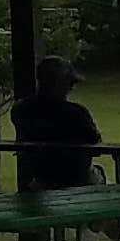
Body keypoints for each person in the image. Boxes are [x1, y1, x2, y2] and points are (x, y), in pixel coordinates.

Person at [8, 56, 100, 190]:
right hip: (77, 179)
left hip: (42, 178)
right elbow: (95, 144)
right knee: (100, 177)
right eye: (70, 83)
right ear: (58, 83)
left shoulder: (21, 109)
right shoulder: (76, 113)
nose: (71, 88)